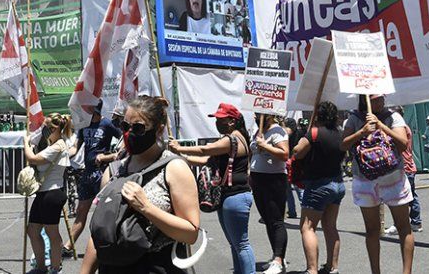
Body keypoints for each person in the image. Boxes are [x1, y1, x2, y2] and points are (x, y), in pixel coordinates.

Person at [81, 95, 199, 274]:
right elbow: (101, 233)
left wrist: (146, 207)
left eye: (138, 128)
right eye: (125, 126)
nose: (129, 134)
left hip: (156, 266)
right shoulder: (114, 171)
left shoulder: (174, 168)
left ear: (159, 130)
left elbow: (190, 233)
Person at [170, 102, 254, 274]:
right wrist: (180, 155)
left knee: (241, 244)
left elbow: (204, 150)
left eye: (220, 119)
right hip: (228, 197)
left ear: (231, 121)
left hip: (235, 196)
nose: (217, 122)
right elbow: (203, 160)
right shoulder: (231, 139)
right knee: (235, 243)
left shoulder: (232, 139)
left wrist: (180, 147)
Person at [344, 94, 414, 274]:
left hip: (394, 177)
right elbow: (342, 145)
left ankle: (407, 272)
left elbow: (403, 144)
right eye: (375, 97)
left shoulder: (393, 116)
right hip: (365, 180)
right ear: (365, 98)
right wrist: (362, 131)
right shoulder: (353, 118)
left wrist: (381, 126)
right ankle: (376, 271)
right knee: (372, 230)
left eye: (382, 96)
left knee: (403, 226)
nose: (381, 100)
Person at [288, 101, 345, 274]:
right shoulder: (341, 134)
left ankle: (312, 269)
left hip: (318, 184)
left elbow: (297, 152)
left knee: (307, 227)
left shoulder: (313, 133)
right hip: (337, 183)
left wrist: (306, 135)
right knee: (330, 226)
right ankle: (332, 266)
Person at [63, 101, 121, 258]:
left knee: (105, 213)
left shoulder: (107, 124)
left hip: (102, 174)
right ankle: (68, 246)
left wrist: (107, 156)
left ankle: (109, 245)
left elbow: (124, 143)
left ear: (94, 109)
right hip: (87, 173)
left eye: (87, 108)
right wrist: (61, 155)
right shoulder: (84, 125)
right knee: (81, 210)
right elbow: (76, 147)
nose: (85, 111)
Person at [23, 113, 74, 274]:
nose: (44, 130)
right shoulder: (52, 144)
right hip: (43, 192)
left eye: (46, 127)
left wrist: (26, 144)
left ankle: (55, 267)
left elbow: (34, 159)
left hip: (52, 193)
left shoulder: (58, 145)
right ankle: (41, 266)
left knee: (52, 232)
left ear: (53, 128)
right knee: (32, 230)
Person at [250, 114, 291, 274]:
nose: (255, 116)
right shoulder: (258, 130)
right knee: (267, 220)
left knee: (276, 220)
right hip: (258, 178)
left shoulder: (278, 131)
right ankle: (276, 255)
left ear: (269, 115)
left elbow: (284, 154)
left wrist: (264, 145)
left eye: (259, 114)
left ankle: (279, 259)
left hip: (273, 180)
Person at [386, 106, 422, 235]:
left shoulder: (401, 128)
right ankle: (415, 222)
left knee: (403, 197)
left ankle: (402, 223)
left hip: (405, 166)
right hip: (408, 165)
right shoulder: (404, 127)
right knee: (411, 195)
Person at [282, 118, 302, 219]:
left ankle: (300, 209)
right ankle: (293, 211)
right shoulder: (299, 133)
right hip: (292, 163)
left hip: (293, 163)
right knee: (290, 189)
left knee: (294, 188)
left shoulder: (287, 135)